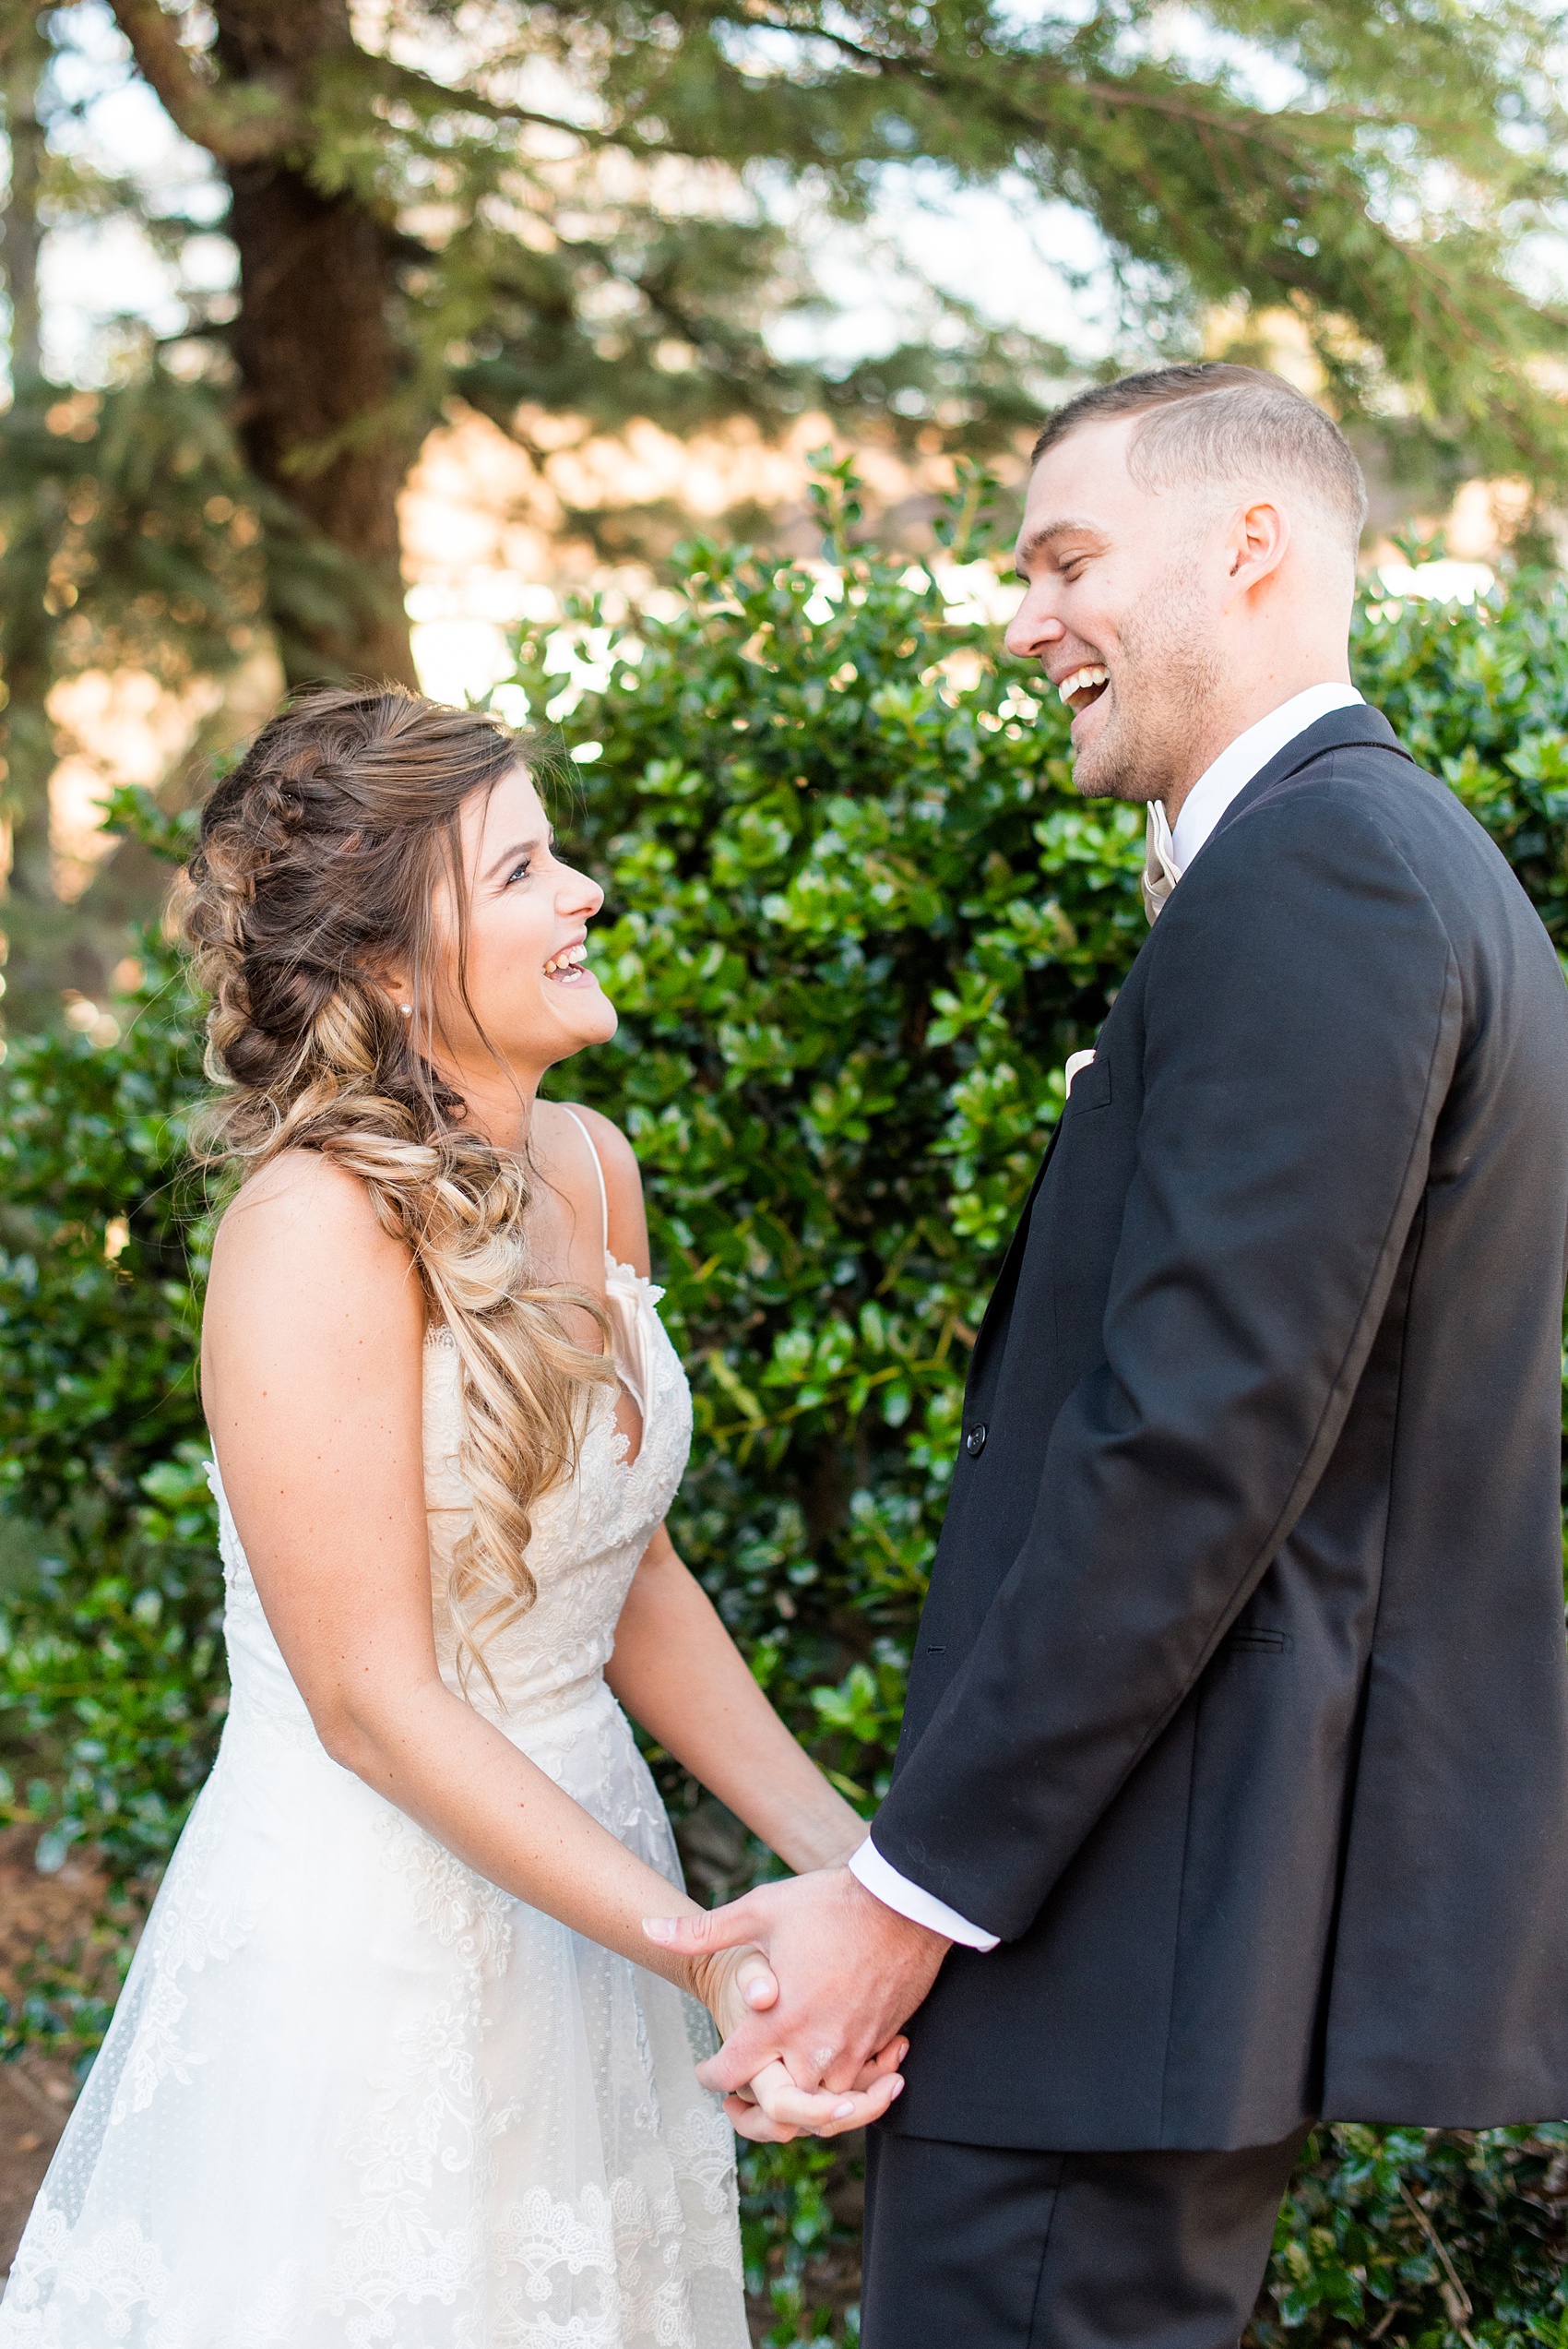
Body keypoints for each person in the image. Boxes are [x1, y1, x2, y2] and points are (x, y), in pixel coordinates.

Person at [649, 363, 1568, 2347]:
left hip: (1112, 1925)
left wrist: (908, 1899)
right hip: (1152, 1923)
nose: (1021, 619)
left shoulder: (1320, 876)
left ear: (1249, 548)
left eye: (1066, 559)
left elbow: (1192, 1447)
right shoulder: (1398, 866)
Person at [0, 688, 904, 2349]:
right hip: (371, 1943)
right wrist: (703, 1948)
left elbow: (618, 1572)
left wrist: (859, 1868)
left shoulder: (591, 1166)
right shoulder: (308, 1229)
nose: (587, 897)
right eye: (525, 871)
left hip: (591, 1897)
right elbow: (370, 1700)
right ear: (395, 966)